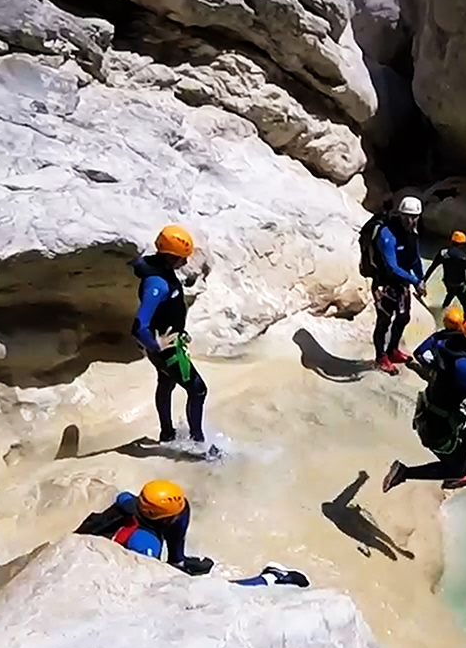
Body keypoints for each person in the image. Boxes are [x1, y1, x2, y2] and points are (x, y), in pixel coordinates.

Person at [74, 479, 310, 586]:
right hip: (136, 552)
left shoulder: (130, 503)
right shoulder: (145, 545)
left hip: (129, 537)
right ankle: (272, 578)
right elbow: (150, 583)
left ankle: (179, 562)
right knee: (210, 597)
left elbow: (121, 499)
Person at [383, 314, 466, 492]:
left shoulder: (447, 341)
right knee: (458, 469)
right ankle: (404, 472)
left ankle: (456, 467)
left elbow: (422, 352)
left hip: (432, 407)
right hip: (437, 426)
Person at [133, 225, 216, 455]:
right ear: (169, 257)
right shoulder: (157, 284)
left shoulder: (161, 270)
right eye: (181, 258)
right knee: (198, 390)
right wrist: (156, 345)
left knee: (166, 382)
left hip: (170, 344)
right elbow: (139, 325)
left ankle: (167, 433)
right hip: (166, 351)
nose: (185, 263)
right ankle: (198, 444)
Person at [360, 196, 426, 374]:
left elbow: (415, 257)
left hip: (401, 283)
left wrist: (421, 277)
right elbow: (391, 266)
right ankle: (381, 357)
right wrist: (415, 281)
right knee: (384, 321)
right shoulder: (386, 235)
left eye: (414, 217)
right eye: (406, 216)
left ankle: (393, 350)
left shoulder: (412, 233)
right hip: (384, 284)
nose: (410, 221)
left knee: (403, 317)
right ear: (400, 214)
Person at [431, 230, 466, 319]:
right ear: (462, 244)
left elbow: (432, 267)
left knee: (450, 294)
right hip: (460, 285)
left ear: (451, 241)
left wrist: (423, 281)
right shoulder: (462, 257)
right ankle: (465, 324)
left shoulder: (443, 253)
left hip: (448, 282)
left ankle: (442, 314)